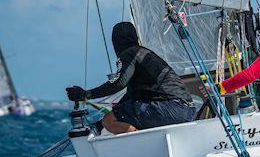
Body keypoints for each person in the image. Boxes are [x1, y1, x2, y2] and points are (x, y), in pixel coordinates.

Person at [66, 22, 196, 134]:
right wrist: (99, 125)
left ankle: (143, 149)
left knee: (109, 120)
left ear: (116, 41)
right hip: (187, 111)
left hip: (170, 107)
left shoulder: (129, 54)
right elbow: (130, 96)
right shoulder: (144, 55)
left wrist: (85, 94)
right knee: (110, 118)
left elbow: (118, 83)